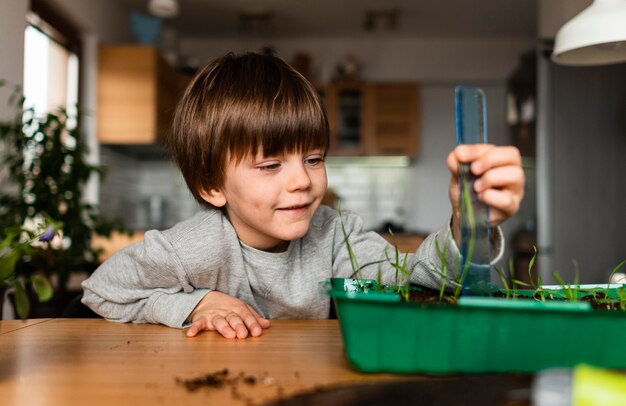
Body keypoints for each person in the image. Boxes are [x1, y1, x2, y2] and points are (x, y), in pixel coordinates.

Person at [82, 52, 524, 339]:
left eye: (313, 158)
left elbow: (417, 283)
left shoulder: (335, 234)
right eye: (271, 165)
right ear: (212, 187)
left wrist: (466, 227)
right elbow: (100, 291)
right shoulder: (192, 246)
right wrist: (194, 303)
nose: (303, 181)